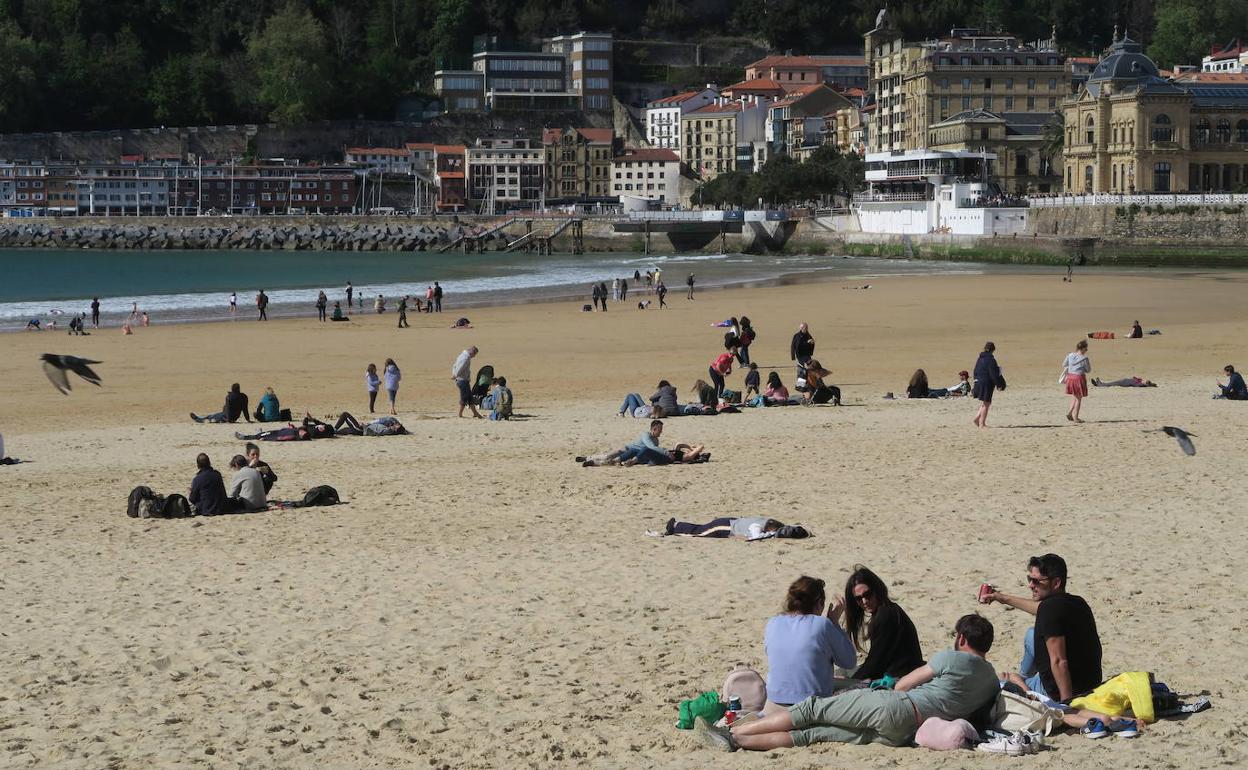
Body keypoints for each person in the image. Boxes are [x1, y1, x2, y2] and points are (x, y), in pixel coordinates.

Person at [705, 614, 999, 752]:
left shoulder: (952, 657)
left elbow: (903, 686)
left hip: (897, 707)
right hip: (903, 734)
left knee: (812, 710)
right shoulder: (990, 679)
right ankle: (739, 743)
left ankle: (732, 731)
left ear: (961, 638)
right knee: (815, 735)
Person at [981, 554, 1102, 703]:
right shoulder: (1076, 602)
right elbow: (1040, 609)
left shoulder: (1049, 611)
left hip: (1063, 690)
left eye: (1036, 581)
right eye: (1029, 579)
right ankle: (1025, 678)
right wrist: (1002, 598)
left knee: (1002, 682)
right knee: (1031, 635)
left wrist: (1067, 704)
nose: (1030, 585)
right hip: (1091, 682)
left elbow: (1059, 661)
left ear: (1056, 582)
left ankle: (1024, 682)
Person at [760, 576, 858, 715]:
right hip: (809, 706)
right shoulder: (822, 624)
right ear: (819, 603)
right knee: (858, 687)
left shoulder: (773, 623)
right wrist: (834, 622)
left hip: (774, 703)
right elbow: (849, 661)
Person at [843, 567, 925, 681]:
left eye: (868, 594)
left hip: (901, 678)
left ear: (876, 589)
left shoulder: (885, 615)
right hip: (901, 673)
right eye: (859, 599)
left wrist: (850, 682)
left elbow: (875, 664)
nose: (864, 601)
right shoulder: (888, 610)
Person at [972, 341, 1005, 428]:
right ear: (993, 350)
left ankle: (976, 419)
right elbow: (993, 374)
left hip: (978, 382)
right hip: (986, 383)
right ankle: (982, 424)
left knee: (984, 403)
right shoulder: (991, 360)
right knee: (987, 403)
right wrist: (999, 384)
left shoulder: (979, 359)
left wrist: (976, 381)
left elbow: (975, 371)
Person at [663, 516, 782, 539]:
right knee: (700, 532)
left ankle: (677, 524)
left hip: (728, 522)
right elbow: (755, 537)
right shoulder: (757, 526)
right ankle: (674, 527)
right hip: (725, 527)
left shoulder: (762, 520)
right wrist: (770, 535)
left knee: (702, 528)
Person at [1061, 339, 1091, 423]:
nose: (1087, 350)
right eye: (1086, 348)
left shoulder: (1070, 355)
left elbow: (1064, 364)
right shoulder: (1084, 358)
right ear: (1082, 348)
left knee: (1074, 396)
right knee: (1078, 398)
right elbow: (1088, 370)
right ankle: (1076, 417)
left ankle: (1070, 413)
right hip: (1078, 378)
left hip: (1070, 377)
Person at [453, 346, 483, 418]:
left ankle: (475, 413)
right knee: (464, 397)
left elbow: (454, 365)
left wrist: (454, 374)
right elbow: (459, 368)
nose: (474, 356)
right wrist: (455, 375)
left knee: (469, 397)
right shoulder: (465, 358)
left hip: (462, 380)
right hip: (462, 380)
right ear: (472, 352)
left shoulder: (462, 355)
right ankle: (459, 414)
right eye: (474, 354)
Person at [332, 411, 407, 436]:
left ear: (396, 429)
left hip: (360, 429)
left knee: (345, 414)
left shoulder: (387, 431)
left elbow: (375, 432)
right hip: (361, 430)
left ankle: (334, 429)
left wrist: (364, 426)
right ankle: (333, 431)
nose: (396, 424)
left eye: (397, 425)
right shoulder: (388, 429)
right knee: (341, 431)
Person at [1092, 376, 1156, 387]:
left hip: (1124, 383)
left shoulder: (1140, 384)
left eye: (1146, 381)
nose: (1145, 380)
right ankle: (1100, 383)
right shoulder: (1140, 381)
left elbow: (1134, 384)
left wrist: (1150, 385)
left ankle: (1100, 384)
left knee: (1113, 383)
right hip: (1125, 381)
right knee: (1113, 383)